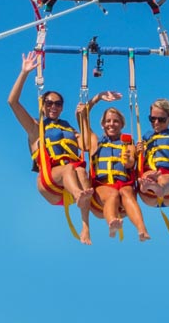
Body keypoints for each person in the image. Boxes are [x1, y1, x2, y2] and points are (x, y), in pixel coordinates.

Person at [8, 51, 108, 244]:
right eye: (49, 103)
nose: (53, 106)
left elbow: (89, 145)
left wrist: (91, 105)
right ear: (43, 105)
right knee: (71, 168)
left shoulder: (69, 129)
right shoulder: (36, 127)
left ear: (62, 107)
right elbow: (12, 102)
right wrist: (25, 73)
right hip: (50, 182)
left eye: (58, 103)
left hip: (74, 180)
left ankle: (85, 227)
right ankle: (79, 195)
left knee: (81, 170)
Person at [79, 101, 150, 241]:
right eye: (108, 121)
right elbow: (83, 120)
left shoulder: (128, 143)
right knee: (113, 194)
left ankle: (142, 229)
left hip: (124, 184)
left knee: (127, 192)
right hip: (102, 186)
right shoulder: (95, 142)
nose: (111, 124)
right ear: (103, 124)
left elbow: (130, 164)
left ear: (122, 125)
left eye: (116, 121)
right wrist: (96, 99)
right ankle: (112, 222)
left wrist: (128, 158)